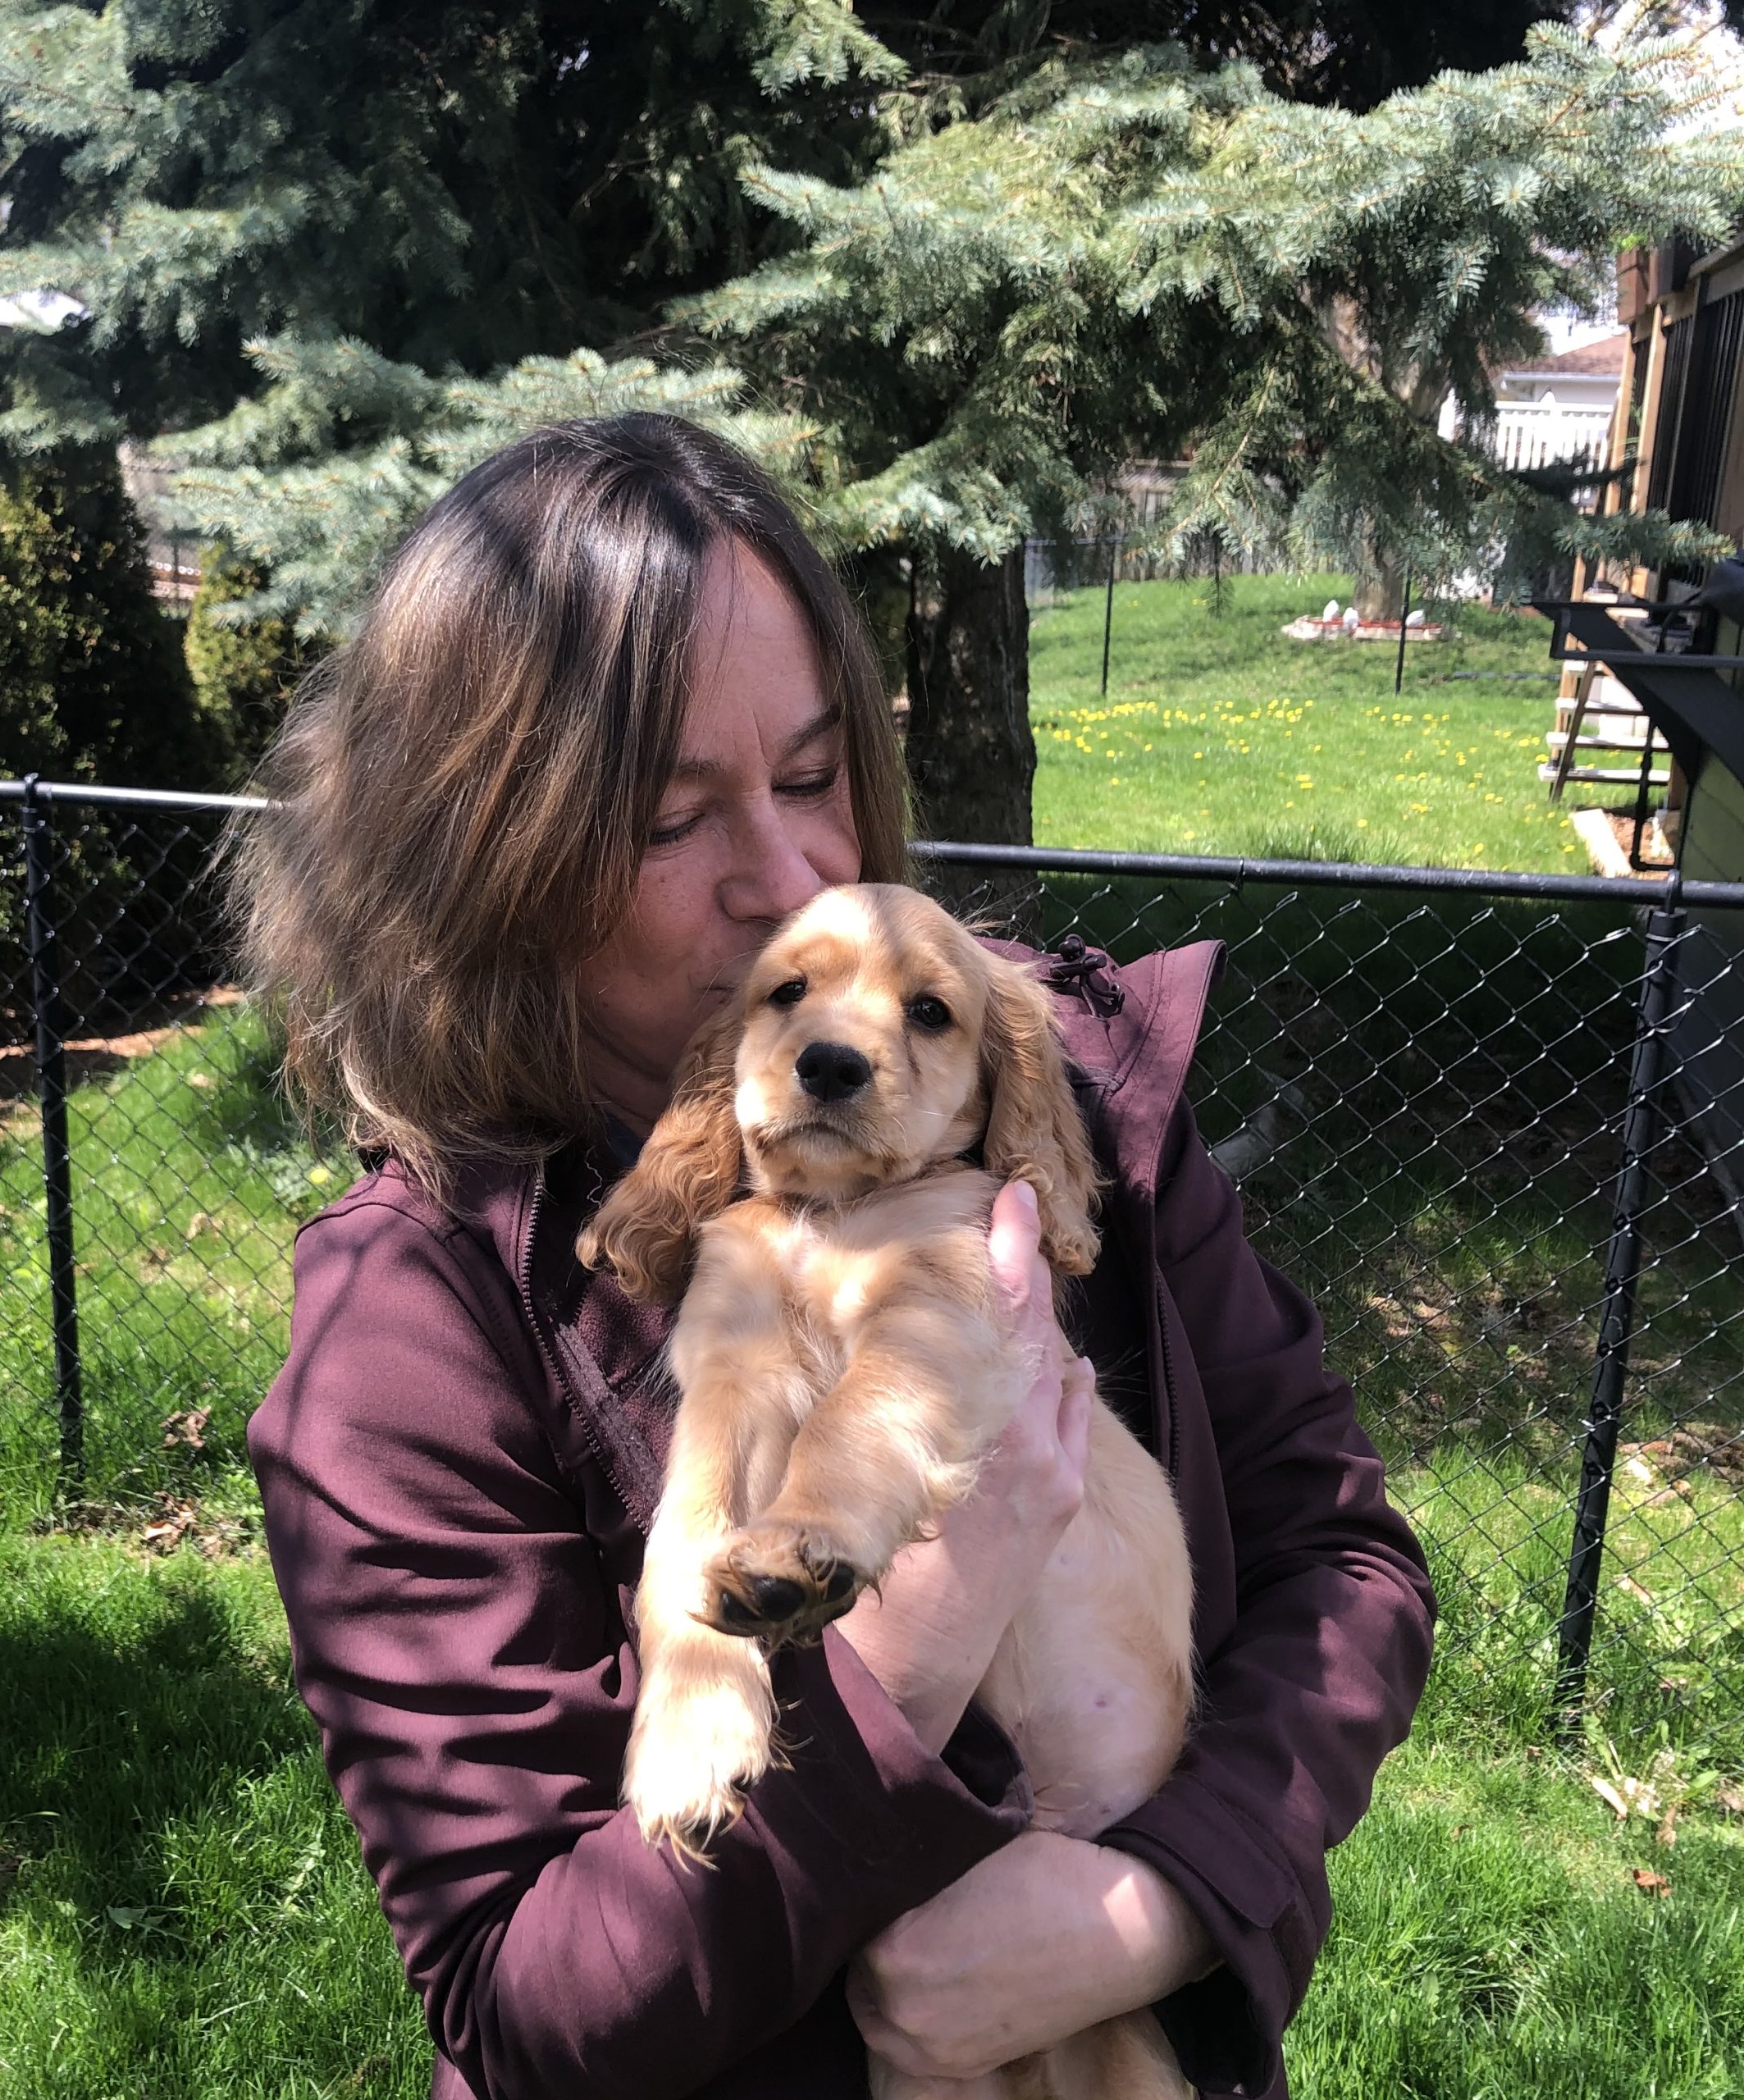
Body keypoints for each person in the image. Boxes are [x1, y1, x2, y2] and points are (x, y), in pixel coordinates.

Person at [236, 413, 1434, 2100]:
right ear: (488, 863)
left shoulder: (1056, 1098)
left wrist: (1156, 1902)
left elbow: (1344, 1564)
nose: (789, 874)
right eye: (671, 818)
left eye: (812, 776)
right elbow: (523, 2006)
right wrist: (916, 1634)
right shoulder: (412, 1326)